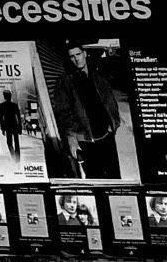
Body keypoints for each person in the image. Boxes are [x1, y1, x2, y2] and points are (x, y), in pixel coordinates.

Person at [49, 45, 122, 179]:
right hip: (86, 141)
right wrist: (71, 138)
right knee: (95, 179)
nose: (76, 59)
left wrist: (114, 123)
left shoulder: (97, 76)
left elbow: (110, 101)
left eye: (78, 54)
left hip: (107, 137)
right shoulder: (64, 81)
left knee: (115, 177)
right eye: (72, 56)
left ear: (85, 53)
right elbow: (62, 112)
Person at [0, 88, 23, 162]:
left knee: (9, 142)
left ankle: (13, 155)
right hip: (15, 125)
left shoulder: (1, 105)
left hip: (7, 126)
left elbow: (1, 118)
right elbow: (18, 117)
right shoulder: (14, 105)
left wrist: (2, 129)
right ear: (10, 96)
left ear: (4, 96)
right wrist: (20, 128)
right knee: (16, 142)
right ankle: (17, 159)